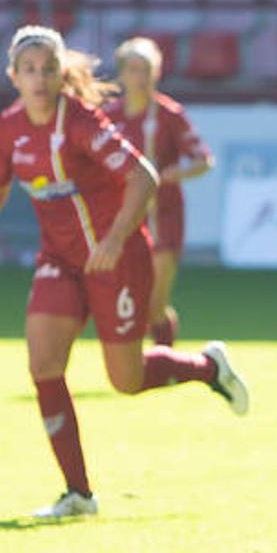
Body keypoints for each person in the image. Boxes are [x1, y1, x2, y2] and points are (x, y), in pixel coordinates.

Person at [0, 26, 249, 519]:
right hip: (60, 261)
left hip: (116, 258)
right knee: (43, 365)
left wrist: (115, 239)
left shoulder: (80, 121)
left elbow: (142, 174)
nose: (39, 79)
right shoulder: (9, 126)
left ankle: (209, 367)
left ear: (62, 75)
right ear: (12, 76)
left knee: (127, 378)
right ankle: (78, 493)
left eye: (48, 69)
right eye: (29, 70)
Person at [102, 37, 214, 347]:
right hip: (124, 220)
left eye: (147, 69)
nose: (140, 77)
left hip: (164, 216)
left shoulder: (169, 115)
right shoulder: (108, 119)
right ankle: (154, 358)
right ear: (122, 74)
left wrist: (168, 175)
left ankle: (163, 350)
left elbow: (203, 160)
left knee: (154, 300)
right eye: (134, 69)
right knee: (130, 299)